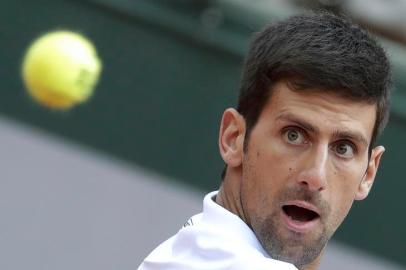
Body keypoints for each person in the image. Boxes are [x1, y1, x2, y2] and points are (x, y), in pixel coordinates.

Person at [138, 12, 391, 270]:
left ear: (368, 173)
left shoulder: (188, 251)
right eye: (294, 135)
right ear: (233, 138)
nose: (316, 177)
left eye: (343, 148)